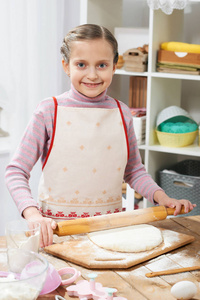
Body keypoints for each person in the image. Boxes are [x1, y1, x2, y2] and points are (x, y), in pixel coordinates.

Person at [5, 24, 195, 248]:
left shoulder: (121, 112)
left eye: (102, 65)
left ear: (114, 66)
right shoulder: (49, 111)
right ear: (66, 65)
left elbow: (133, 170)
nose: (92, 75)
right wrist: (33, 215)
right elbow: (16, 171)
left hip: (109, 231)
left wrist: (162, 197)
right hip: (57, 234)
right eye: (81, 64)